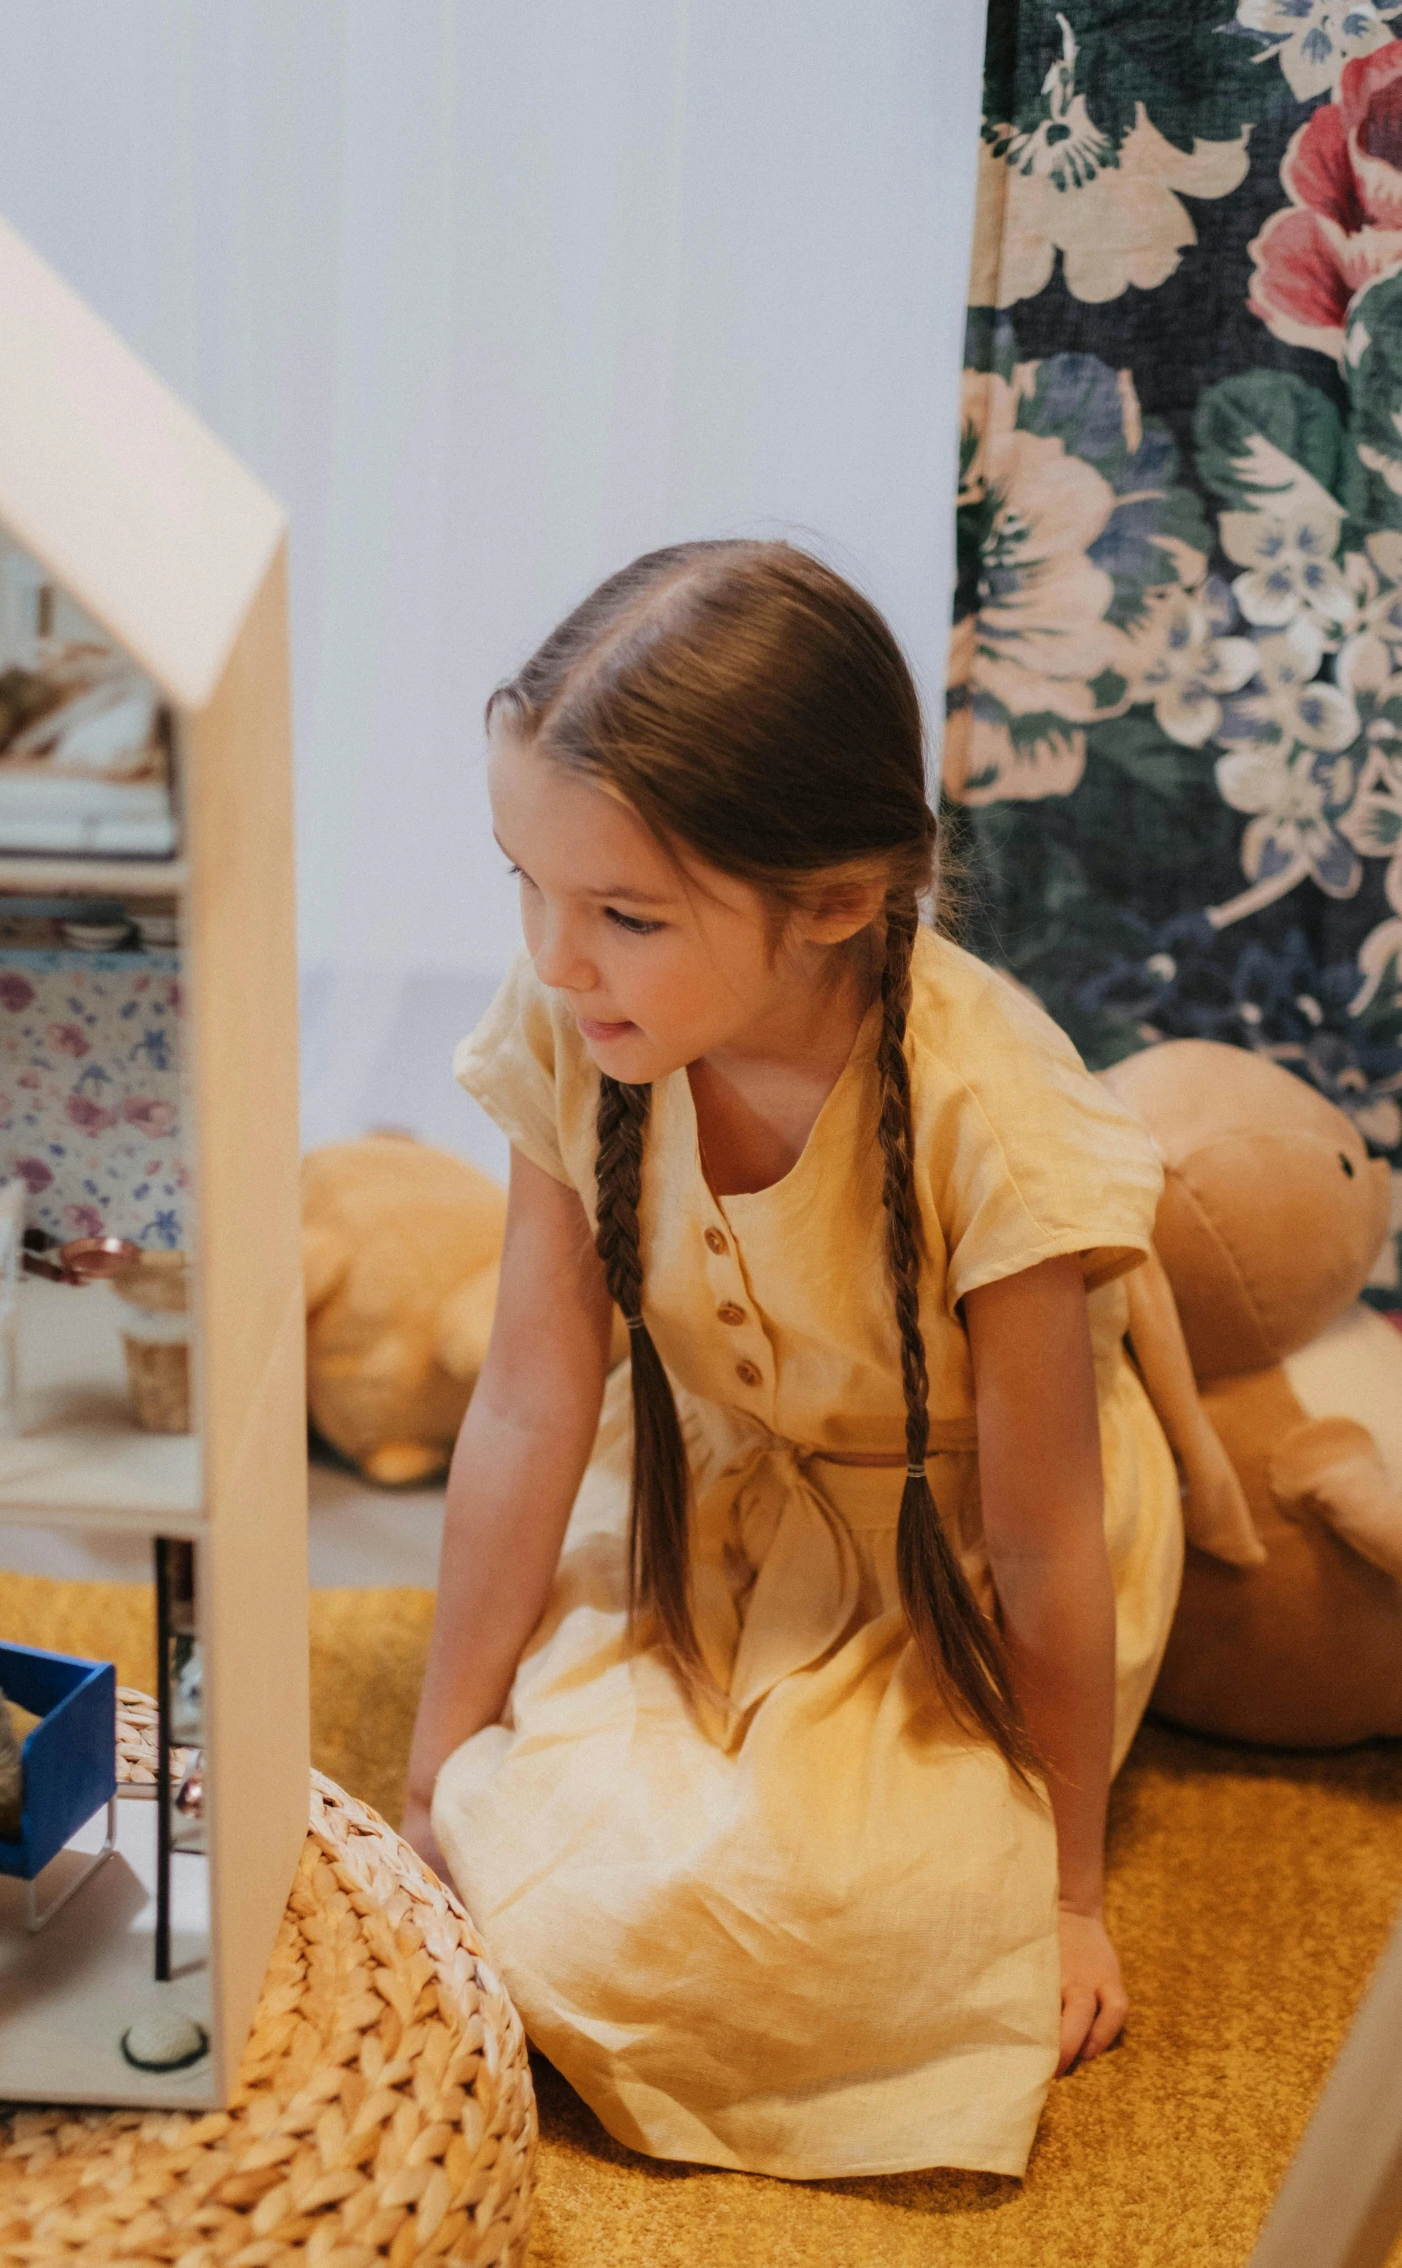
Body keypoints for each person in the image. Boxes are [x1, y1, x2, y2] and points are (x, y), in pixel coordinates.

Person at [403, 540, 1182, 2181]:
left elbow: (1045, 1545)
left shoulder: (992, 1116)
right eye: (522, 885)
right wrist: (430, 1777)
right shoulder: (578, 1018)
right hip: (717, 1485)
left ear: (835, 900)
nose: (554, 956)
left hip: (954, 1556)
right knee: (546, 1830)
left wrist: (1066, 1899)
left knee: (837, 1917)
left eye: (620, 911)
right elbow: (537, 1396)